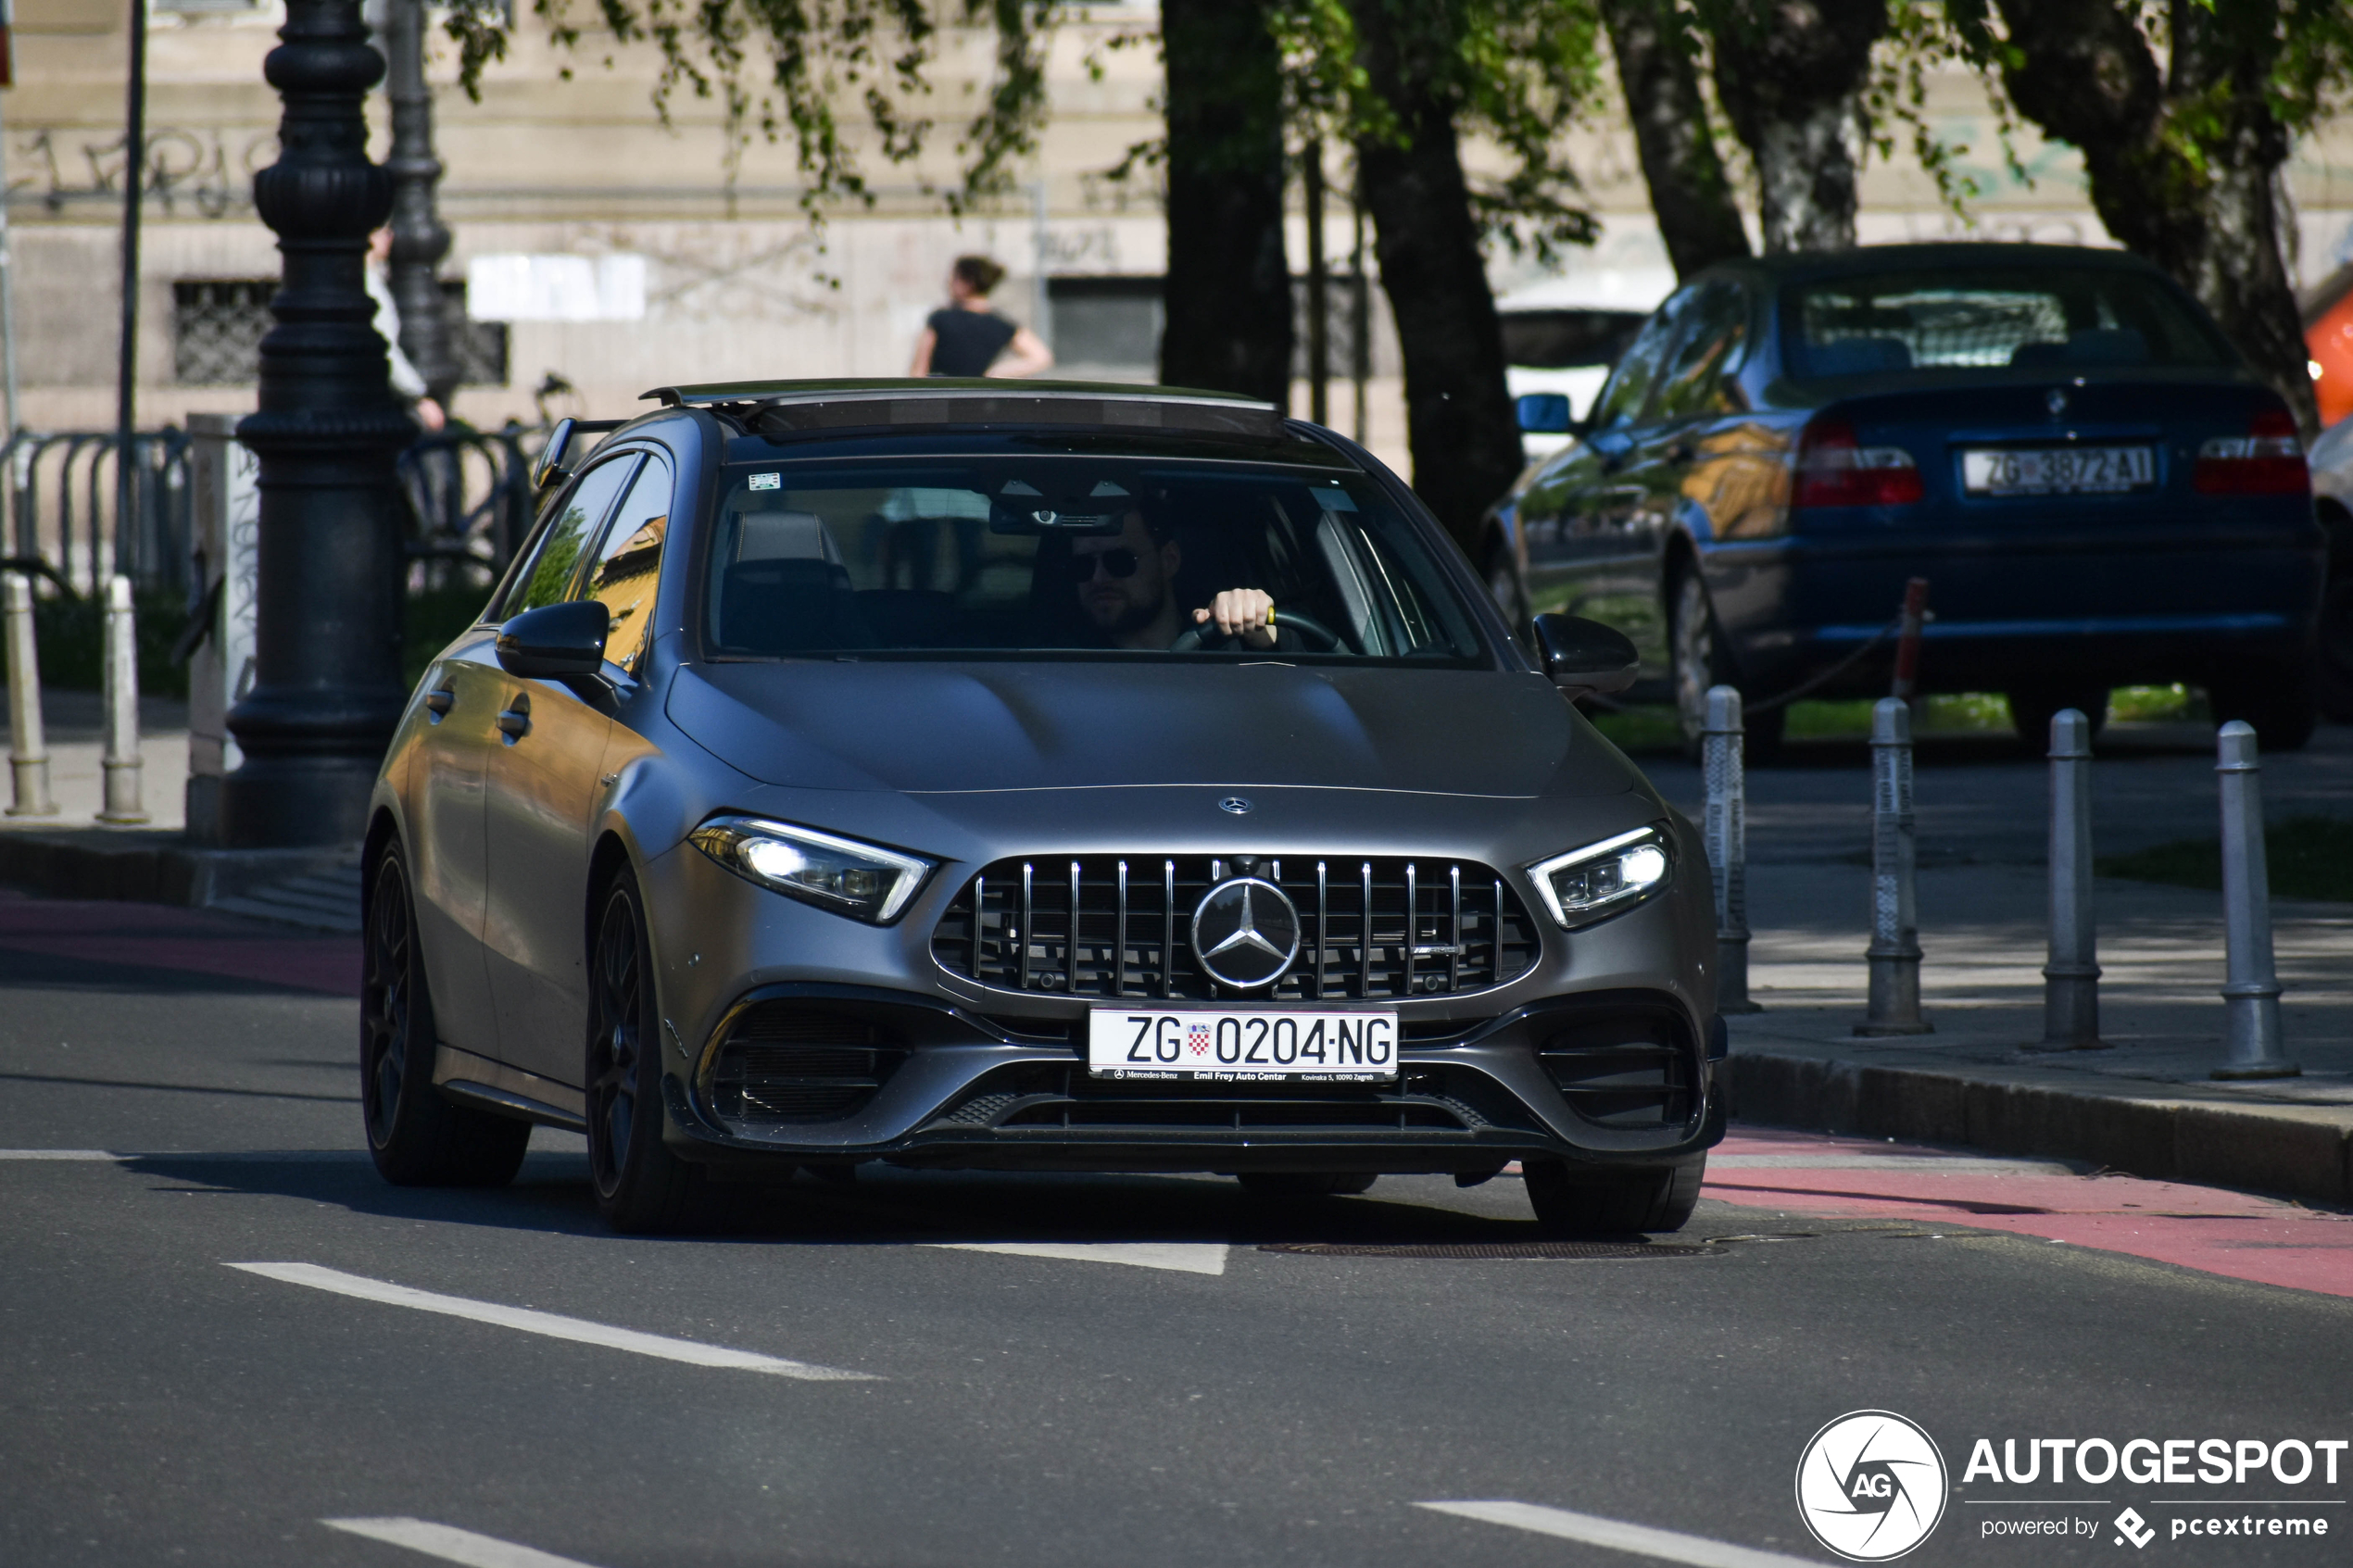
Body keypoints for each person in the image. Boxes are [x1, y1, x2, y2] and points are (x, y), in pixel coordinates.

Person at [1070, 508, 1275, 651]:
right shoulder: (1058, 664)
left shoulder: (1223, 641)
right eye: (1083, 565)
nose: (1098, 578)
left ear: (1169, 560)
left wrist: (1260, 628)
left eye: (1119, 561)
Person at [909, 255, 1055, 379]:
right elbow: (1041, 357)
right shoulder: (1001, 325)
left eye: (953, 278)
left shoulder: (941, 319)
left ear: (967, 283)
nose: (948, 283)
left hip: (941, 399)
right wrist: (995, 373)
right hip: (977, 402)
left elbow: (918, 371)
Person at [366, 227, 446, 432]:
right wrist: (417, 395)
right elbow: (385, 348)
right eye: (385, 232)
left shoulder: (369, 279)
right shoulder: (369, 286)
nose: (391, 238)